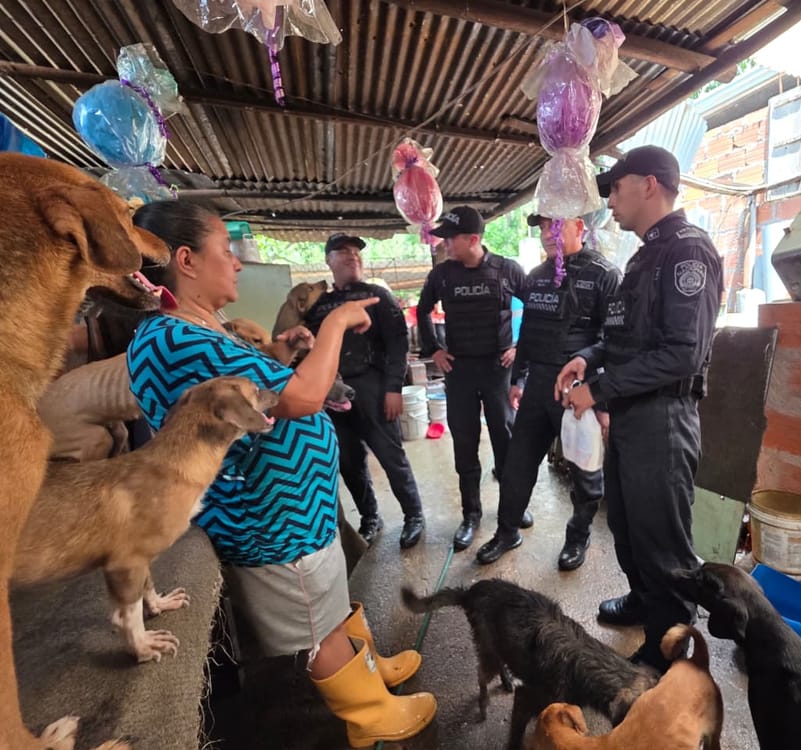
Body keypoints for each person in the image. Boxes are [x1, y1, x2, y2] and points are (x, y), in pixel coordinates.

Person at [126, 202, 436, 746]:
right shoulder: (174, 339)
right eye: (226, 251)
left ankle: (368, 667)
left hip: (296, 510)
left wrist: (280, 351)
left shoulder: (198, 327)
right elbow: (305, 396)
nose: (237, 263)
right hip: (267, 519)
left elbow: (250, 392)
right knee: (316, 624)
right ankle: (368, 714)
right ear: (186, 260)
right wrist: (334, 323)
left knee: (328, 602)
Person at [556, 145, 723, 673]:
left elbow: (683, 354)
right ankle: (643, 601)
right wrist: (586, 359)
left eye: (616, 187)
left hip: (663, 420)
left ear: (649, 184)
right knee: (627, 525)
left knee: (662, 541)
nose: (609, 199)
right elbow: (622, 337)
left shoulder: (687, 252)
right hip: (633, 415)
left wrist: (598, 391)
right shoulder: (645, 256)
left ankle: (671, 649)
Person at [475, 212, 621, 570]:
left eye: (555, 224)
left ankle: (578, 537)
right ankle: (507, 531)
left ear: (579, 227)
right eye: (542, 227)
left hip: (580, 390)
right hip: (538, 385)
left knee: (585, 473)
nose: (547, 233)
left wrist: (603, 401)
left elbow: (615, 341)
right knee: (517, 463)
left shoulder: (605, 275)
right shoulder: (537, 276)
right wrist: (518, 379)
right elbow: (528, 332)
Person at [415, 206, 530, 550]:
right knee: (464, 444)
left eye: (451, 239)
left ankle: (512, 509)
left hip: (497, 369)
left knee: (505, 441)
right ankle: (471, 515)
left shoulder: (507, 270)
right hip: (460, 371)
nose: (445, 245)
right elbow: (422, 310)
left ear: (473, 239)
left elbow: (538, 308)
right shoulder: (442, 275)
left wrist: (519, 348)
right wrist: (434, 350)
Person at [304, 234, 426, 549]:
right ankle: (370, 517)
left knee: (391, 456)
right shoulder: (317, 305)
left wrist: (394, 388)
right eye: (343, 251)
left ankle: (413, 515)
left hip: (373, 387)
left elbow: (398, 343)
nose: (352, 256)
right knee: (349, 460)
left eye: (356, 251)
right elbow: (307, 347)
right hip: (333, 392)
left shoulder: (377, 296)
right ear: (328, 261)